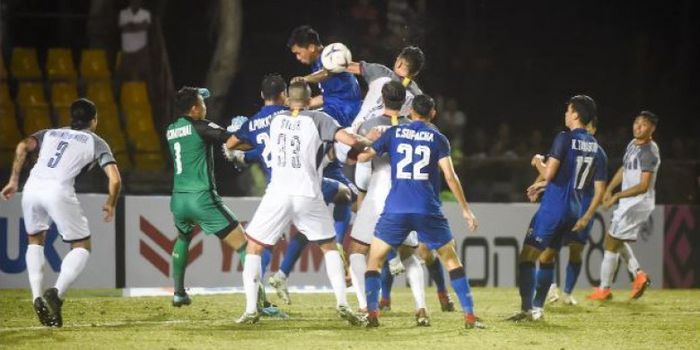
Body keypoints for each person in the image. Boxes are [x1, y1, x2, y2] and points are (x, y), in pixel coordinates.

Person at [236, 81, 369, 325]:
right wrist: (369, 140)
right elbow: (348, 140)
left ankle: (251, 309)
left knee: (253, 247)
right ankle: (342, 303)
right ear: (310, 101)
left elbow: (245, 142)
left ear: (287, 99)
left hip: (278, 193)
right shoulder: (319, 119)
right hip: (308, 193)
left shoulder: (275, 120)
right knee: (329, 248)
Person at [356, 94, 484, 329]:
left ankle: (373, 314)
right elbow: (450, 176)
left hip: (396, 208)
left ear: (410, 111)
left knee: (374, 260)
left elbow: (363, 156)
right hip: (427, 208)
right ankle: (469, 315)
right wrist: (466, 210)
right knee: (451, 260)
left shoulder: (393, 133)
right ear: (433, 114)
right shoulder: (439, 138)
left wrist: (365, 142)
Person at [1, 98, 122, 327]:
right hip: (57, 191)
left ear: (71, 117)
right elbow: (115, 179)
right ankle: (56, 294)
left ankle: (36, 297)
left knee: (34, 241)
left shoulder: (49, 133)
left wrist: (14, 180)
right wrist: (111, 202)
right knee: (82, 246)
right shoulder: (96, 142)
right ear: (93, 120)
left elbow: (22, 146)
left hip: (32, 188)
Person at [508, 95, 602, 322]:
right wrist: (541, 186)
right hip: (574, 210)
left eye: (569, 111)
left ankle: (527, 309)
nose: (566, 114)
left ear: (576, 114)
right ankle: (538, 309)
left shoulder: (564, 138)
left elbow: (550, 173)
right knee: (548, 256)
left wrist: (537, 161)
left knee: (527, 257)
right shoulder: (594, 146)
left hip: (553, 208)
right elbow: (572, 178)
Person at [347, 81, 429, 324]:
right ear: (405, 100)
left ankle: (364, 306)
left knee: (357, 251)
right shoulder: (414, 127)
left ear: (382, 98)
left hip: (378, 193)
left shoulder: (369, 125)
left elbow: (358, 160)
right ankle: (422, 307)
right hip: (406, 195)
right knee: (408, 254)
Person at [166, 87, 253, 308]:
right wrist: (253, 141)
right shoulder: (201, 127)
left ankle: (178, 293)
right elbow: (233, 141)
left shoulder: (170, 129)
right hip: (201, 198)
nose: (206, 106)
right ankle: (260, 302)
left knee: (183, 239)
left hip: (178, 199)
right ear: (194, 109)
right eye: (202, 103)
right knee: (245, 245)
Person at [526, 118, 608, 305]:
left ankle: (568, 292)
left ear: (593, 129)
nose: (584, 129)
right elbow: (555, 172)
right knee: (548, 251)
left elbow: (598, 189)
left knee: (575, 249)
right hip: (565, 203)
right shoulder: (569, 143)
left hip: (581, 205)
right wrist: (538, 184)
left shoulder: (597, 153)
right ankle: (551, 288)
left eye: (588, 126)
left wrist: (588, 215)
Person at [587, 111, 660, 301]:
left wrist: (617, 195)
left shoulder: (650, 151)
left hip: (638, 203)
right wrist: (609, 189)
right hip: (628, 202)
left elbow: (644, 186)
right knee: (617, 240)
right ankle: (638, 274)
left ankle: (604, 289)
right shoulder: (633, 144)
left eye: (643, 124)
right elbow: (624, 168)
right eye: (636, 122)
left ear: (652, 129)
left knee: (611, 241)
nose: (638, 127)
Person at [287, 25, 362, 128]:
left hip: (346, 111)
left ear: (311, 47)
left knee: (304, 123)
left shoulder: (332, 54)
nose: (298, 58)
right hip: (337, 108)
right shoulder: (316, 63)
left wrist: (305, 79)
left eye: (298, 53)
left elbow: (327, 72)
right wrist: (302, 103)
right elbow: (329, 96)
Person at [118, 0, 151, 81]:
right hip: (128, 48)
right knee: (126, 73)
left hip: (141, 48)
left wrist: (132, 25)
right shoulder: (124, 13)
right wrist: (138, 25)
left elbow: (145, 26)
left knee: (141, 73)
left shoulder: (145, 14)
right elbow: (124, 27)